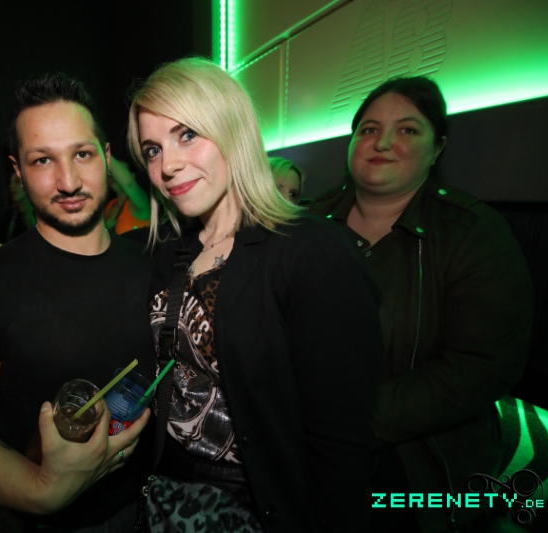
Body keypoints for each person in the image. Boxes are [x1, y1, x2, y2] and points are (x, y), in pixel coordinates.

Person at [128, 57, 383, 532]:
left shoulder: (312, 252)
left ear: (233, 130)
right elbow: (92, 261)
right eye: (152, 149)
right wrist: (5, 258)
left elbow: (341, 443)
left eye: (187, 135)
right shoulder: (168, 251)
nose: (168, 165)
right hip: (167, 498)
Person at [0, 74, 152, 532]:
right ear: (18, 172)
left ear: (106, 158)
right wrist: (41, 491)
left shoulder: (154, 259)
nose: (68, 181)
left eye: (82, 154)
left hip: (157, 504)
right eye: (43, 160)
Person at [307, 77, 533, 533]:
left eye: (407, 130)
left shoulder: (473, 233)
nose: (382, 142)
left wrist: (347, 422)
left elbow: (483, 365)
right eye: (369, 129)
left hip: (420, 458)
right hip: (304, 437)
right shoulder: (305, 224)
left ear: (437, 148)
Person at [104, 155, 150, 234]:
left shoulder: (141, 202)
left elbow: (129, 184)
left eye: (119, 171)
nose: (113, 175)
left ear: (132, 176)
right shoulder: (109, 205)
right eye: (111, 171)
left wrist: (104, 152)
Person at [0, 172, 37, 243]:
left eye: (17, 182)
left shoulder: (42, 212)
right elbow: (0, 243)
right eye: (11, 183)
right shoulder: (9, 215)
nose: (11, 186)